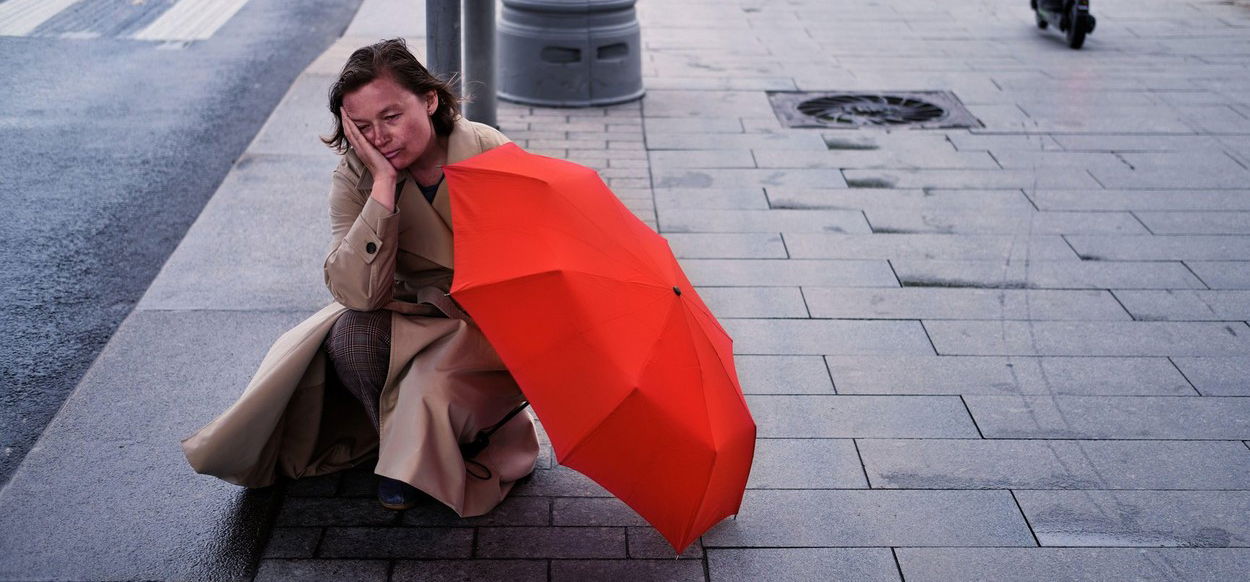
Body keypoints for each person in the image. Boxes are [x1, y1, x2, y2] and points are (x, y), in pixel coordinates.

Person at [181, 38, 540, 516]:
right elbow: (357, 293)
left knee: (431, 377)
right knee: (349, 336)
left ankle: (440, 451)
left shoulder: (488, 150)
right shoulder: (357, 175)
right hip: (414, 314)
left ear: (430, 101)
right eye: (363, 127)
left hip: (492, 319)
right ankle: (402, 448)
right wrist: (383, 189)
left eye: (391, 117)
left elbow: (534, 263)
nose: (380, 137)